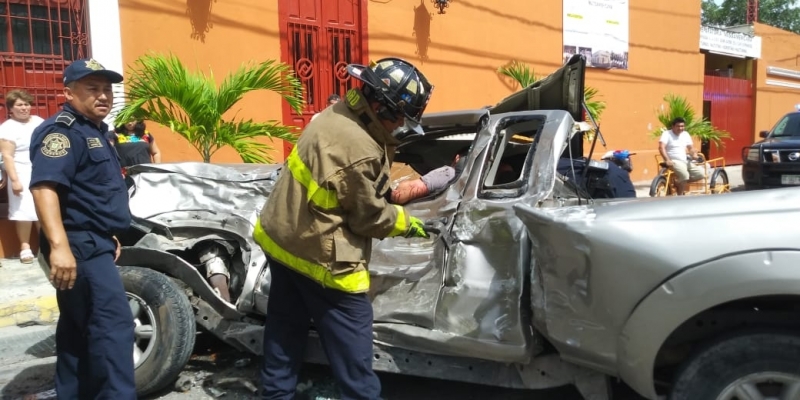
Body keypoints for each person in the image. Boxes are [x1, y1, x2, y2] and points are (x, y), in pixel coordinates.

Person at [253, 57, 433, 400]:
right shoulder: (362, 149)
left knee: (284, 329)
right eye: (399, 118)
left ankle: (275, 394)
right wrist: (405, 222)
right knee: (354, 348)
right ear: (380, 105)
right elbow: (368, 218)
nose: (400, 126)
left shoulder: (333, 115)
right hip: (321, 256)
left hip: (281, 238)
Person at [29, 58, 135, 399]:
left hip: (95, 241)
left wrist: (110, 233)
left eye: (107, 89)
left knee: (80, 329)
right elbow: (45, 188)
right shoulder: (61, 132)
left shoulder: (98, 131)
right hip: (78, 244)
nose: (103, 95)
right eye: (92, 88)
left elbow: (92, 192)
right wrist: (60, 247)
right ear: (68, 92)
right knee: (113, 328)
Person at [0, 89, 44, 263]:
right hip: (20, 171)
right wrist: (15, 180)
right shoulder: (7, 128)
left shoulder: (39, 122)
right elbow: (8, 156)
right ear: (11, 108)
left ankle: (44, 245)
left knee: (43, 208)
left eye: (26, 104)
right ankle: (24, 246)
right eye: (19, 105)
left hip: (40, 169)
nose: (24, 108)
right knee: (23, 210)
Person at [658, 117, 704, 195]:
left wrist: (694, 155)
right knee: (685, 175)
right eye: (678, 126)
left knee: (700, 174)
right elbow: (661, 147)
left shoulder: (685, 134)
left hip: (685, 160)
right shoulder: (667, 134)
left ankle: (678, 182)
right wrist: (667, 160)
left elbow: (690, 148)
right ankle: (680, 196)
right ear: (673, 126)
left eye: (682, 126)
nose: (680, 128)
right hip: (674, 161)